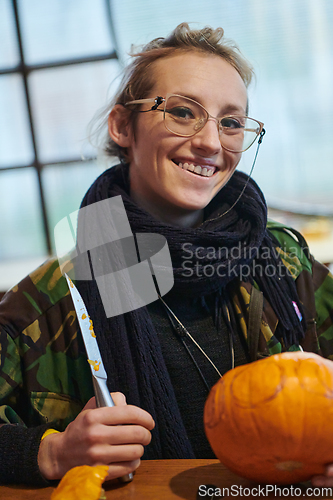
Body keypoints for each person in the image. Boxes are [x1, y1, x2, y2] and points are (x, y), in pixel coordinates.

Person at [1, 22, 333, 487]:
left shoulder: (282, 261)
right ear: (122, 127)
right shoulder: (51, 299)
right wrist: (49, 452)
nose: (211, 143)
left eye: (232, 122)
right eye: (182, 112)